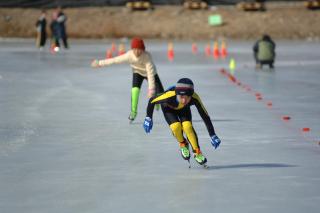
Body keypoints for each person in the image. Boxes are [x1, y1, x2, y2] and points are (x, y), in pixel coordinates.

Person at [143, 78, 221, 165]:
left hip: (184, 109)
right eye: (181, 97)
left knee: (187, 126)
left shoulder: (195, 98)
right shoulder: (169, 95)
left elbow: (205, 116)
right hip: (168, 108)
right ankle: (183, 143)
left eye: (187, 98)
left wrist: (212, 134)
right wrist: (148, 117)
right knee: (175, 126)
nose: (184, 101)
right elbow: (152, 101)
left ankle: (197, 152)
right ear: (177, 94)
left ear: (191, 95)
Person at [91, 37, 164, 122]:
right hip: (137, 72)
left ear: (143, 50)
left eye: (139, 49)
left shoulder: (146, 56)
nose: (137, 52)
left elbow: (150, 74)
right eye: (135, 49)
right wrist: (99, 63)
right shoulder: (129, 55)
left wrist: (151, 90)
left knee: (161, 94)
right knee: (135, 91)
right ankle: (133, 112)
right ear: (132, 49)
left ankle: (157, 102)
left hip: (151, 74)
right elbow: (115, 60)